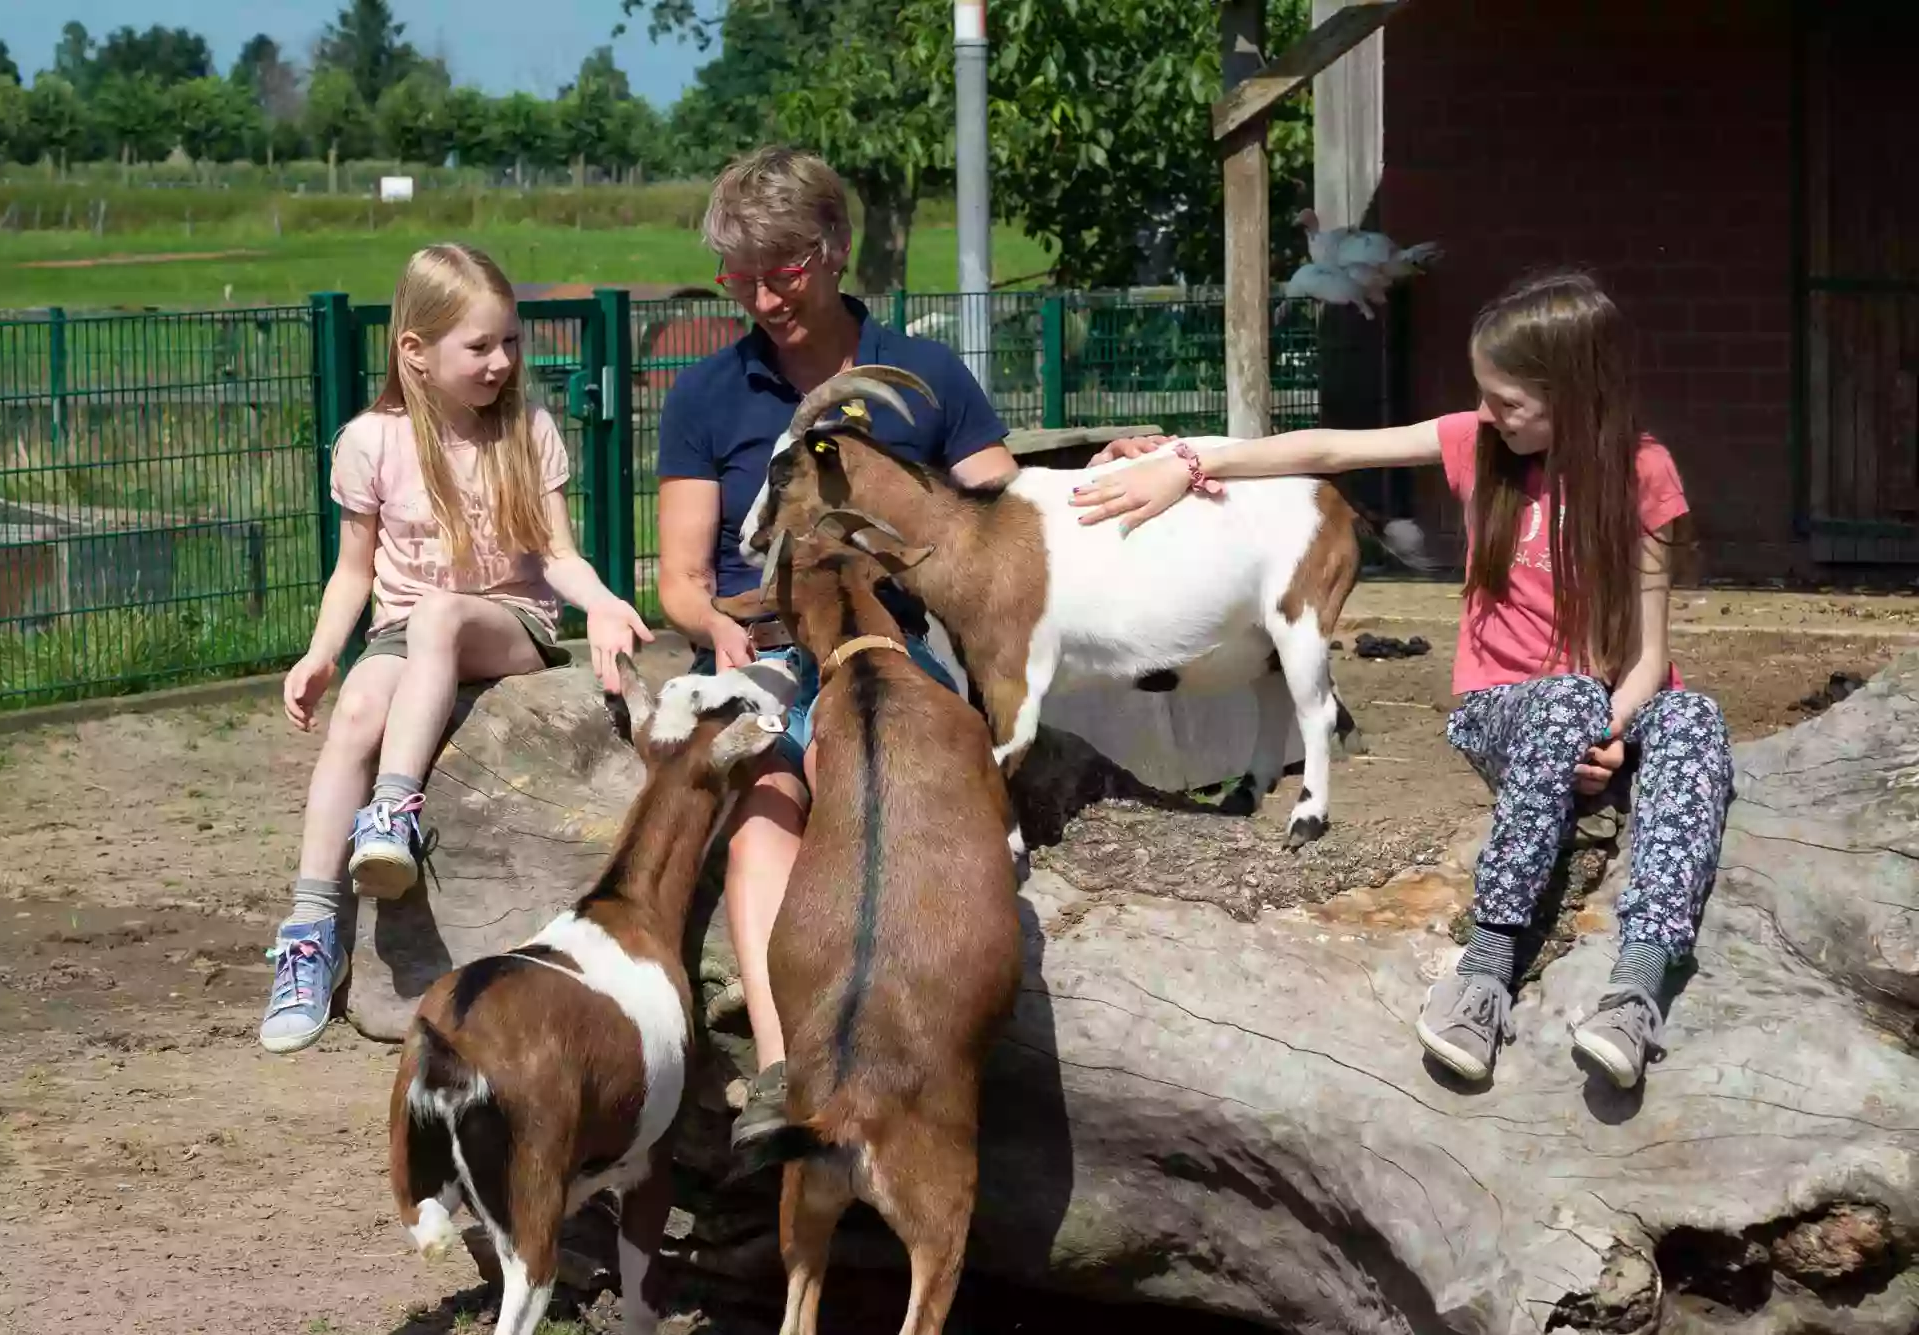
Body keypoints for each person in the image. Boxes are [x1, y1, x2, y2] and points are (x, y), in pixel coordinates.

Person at [1070, 268, 1732, 1091]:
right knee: (1567, 696)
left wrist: (1615, 730)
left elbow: (1647, 653)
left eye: (1510, 401)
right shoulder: (1479, 444)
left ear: (1576, 392)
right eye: (1483, 396)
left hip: (1609, 710)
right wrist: (1187, 459)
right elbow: (1330, 447)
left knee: (1695, 715)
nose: (1491, 413)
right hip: (1508, 708)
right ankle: (1485, 969)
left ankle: (1635, 988)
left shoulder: (1644, 473)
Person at [655, 145, 1020, 1149]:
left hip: (895, 648)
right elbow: (680, 580)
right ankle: (781, 1076)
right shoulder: (705, 397)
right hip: (763, 651)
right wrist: (716, 628)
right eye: (742, 275)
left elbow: (1002, 515)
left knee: (849, 767)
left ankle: (893, 1052)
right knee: (767, 803)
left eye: (785, 271)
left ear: (834, 249)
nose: (763, 297)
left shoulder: (923, 376)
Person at [258, 242, 654, 1055]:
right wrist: (321, 652)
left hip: (508, 623)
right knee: (359, 709)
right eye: (480, 346)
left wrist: (607, 605)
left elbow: (558, 555)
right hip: (403, 629)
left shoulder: (527, 429)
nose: (502, 361)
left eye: (510, 341)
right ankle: (309, 929)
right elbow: (352, 571)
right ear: (416, 352)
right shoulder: (369, 441)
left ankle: (394, 811)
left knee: (440, 615)